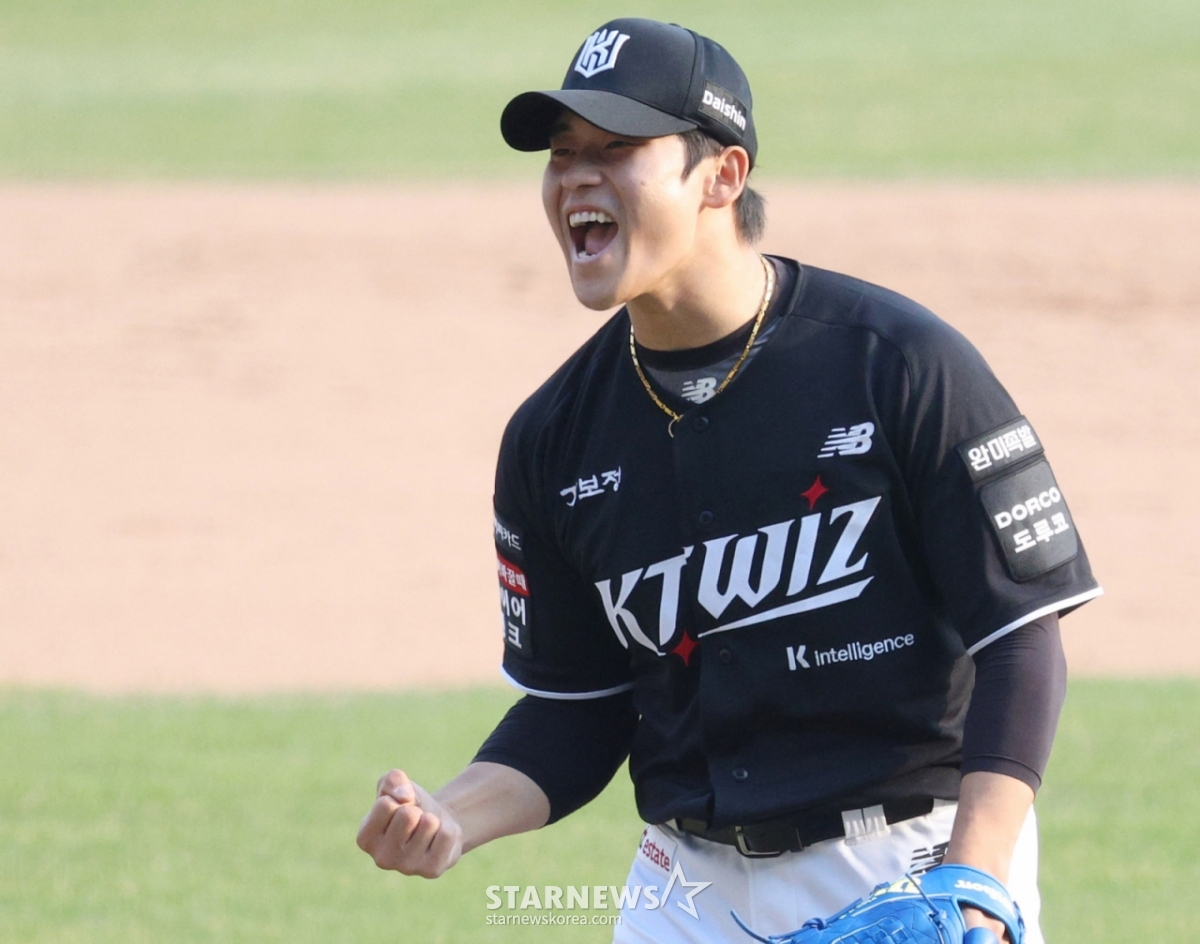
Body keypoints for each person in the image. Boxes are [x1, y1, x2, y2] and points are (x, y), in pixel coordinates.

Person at [356, 18, 1101, 944]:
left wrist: (977, 882)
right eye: (561, 154)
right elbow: (576, 709)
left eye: (617, 148)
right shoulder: (553, 439)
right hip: (687, 893)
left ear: (723, 175)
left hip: (913, 867)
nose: (576, 178)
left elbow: (1022, 638)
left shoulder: (901, 366)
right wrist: (455, 813)